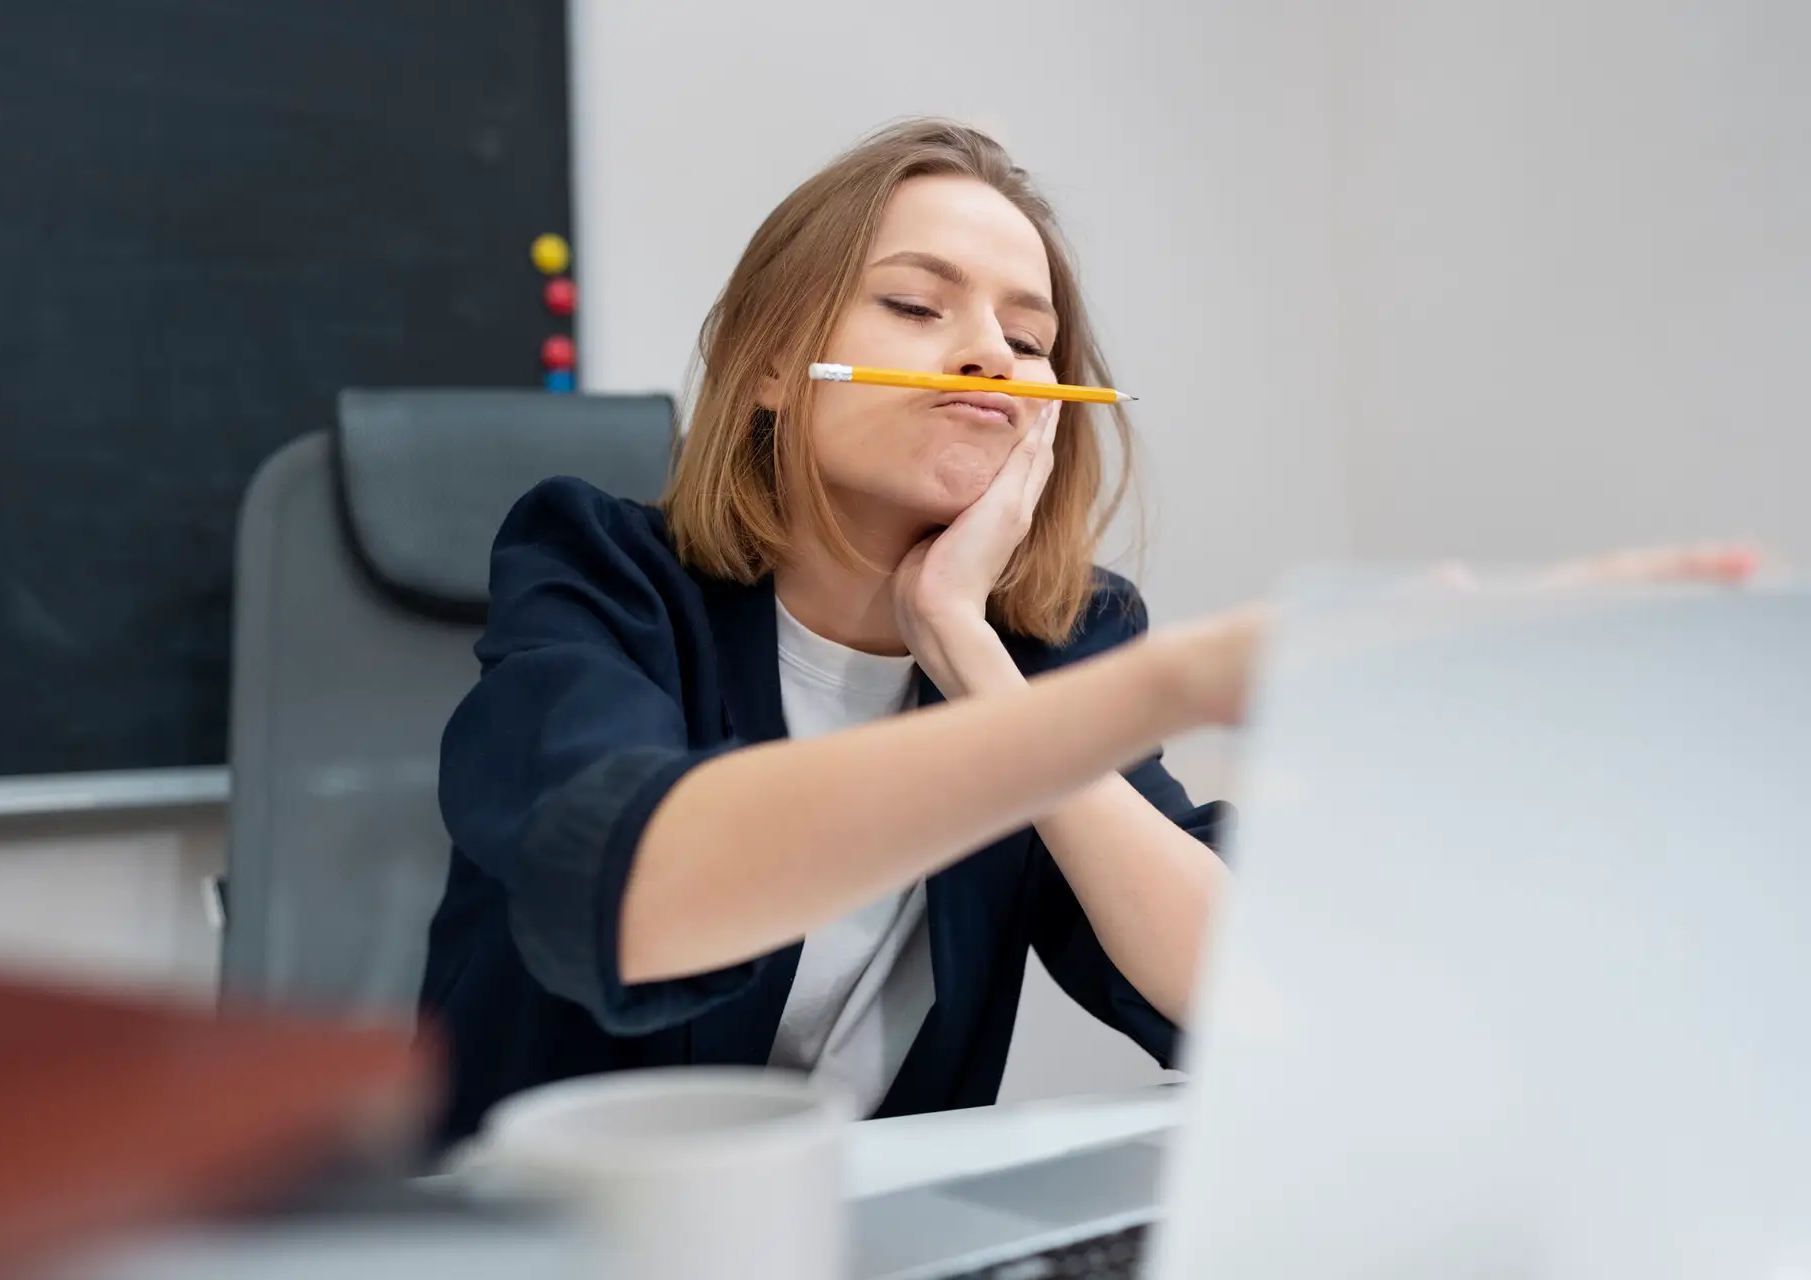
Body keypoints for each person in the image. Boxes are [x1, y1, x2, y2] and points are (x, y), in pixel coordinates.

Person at [419, 119, 1756, 1146]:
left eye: (1029, 333)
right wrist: (1182, 683)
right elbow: (638, 893)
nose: (989, 357)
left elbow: (1241, 995)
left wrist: (970, 650)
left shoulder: (1056, 637)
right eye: (915, 307)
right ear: (774, 365)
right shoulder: (599, 567)